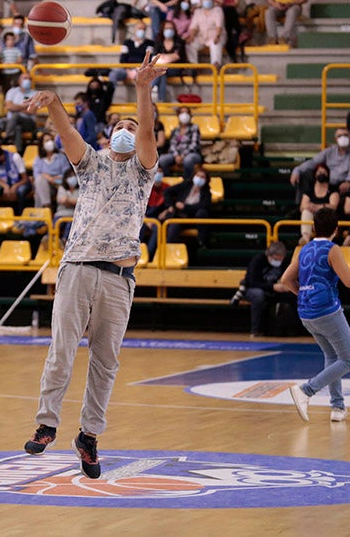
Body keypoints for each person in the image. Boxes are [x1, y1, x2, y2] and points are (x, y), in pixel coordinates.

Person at [22, 51, 164, 479]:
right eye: (120, 125)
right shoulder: (91, 163)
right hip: (79, 266)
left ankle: (89, 436)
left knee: (106, 362)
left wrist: (142, 88)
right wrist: (53, 103)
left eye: (132, 126)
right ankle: (47, 422)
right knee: (62, 349)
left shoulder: (143, 170)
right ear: (107, 135)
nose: (126, 130)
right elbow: (66, 133)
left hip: (120, 277)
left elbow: (149, 132)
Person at [281, 208, 350, 422]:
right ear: (336, 229)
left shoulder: (304, 249)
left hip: (306, 313)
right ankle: (306, 390)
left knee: (332, 356)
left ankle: (337, 407)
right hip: (326, 312)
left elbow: (286, 280)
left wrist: (304, 293)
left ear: (314, 228)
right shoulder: (332, 249)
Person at [234, 241, 297, 337]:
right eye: (276, 259)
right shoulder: (258, 260)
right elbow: (252, 282)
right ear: (269, 255)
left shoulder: (284, 262)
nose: (278, 262)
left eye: (281, 259)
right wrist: (272, 287)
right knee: (258, 295)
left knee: (293, 294)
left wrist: (285, 286)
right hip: (253, 289)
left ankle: (291, 329)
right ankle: (256, 330)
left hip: (274, 290)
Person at [290, 126, 350, 202]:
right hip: (327, 181)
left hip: (343, 182)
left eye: (346, 135)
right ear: (336, 139)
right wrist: (297, 170)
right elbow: (313, 162)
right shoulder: (329, 151)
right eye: (340, 136)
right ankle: (300, 205)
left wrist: (348, 181)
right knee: (304, 174)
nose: (343, 138)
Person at [162, 166, 212, 247]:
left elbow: (204, 206)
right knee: (174, 226)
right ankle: (169, 251)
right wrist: (170, 206)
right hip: (181, 217)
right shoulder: (186, 184)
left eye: (202, 177)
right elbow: (167, 192)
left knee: (202, 212)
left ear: (206, 180)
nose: (199, 178)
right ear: (194, 176)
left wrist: (185, 207)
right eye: (198, 176)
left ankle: (202, 243)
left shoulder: (207, 192)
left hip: (194, 219)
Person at [183, 0, 225, 69]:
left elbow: (219, 25)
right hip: (202, 36)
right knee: (189, 44)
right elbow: (194, 27)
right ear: (201, 0)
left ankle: (215, 66)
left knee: (215, 43)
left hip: (215, 35)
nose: (206, 1)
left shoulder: (218, 10)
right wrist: (191, 37)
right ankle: (193, 66)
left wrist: (217, 36)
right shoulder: (198, 11)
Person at [0, 142, 31, 213]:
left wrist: (15, 186)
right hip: (6, 183)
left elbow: (25, 178)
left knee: (20, 192)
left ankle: (21, 215)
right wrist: (5, 186)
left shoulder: (15, 157)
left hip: (20, 182)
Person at [110, 21, 156, 91]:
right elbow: (123, 59)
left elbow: (149, 59)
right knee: (113, 74)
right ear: (134, 29)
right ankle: (109, 96)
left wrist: (139, 70)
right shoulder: (127, 43)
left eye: (144, 29)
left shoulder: (150, 43)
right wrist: (128, 71)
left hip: (142, 70)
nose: (142, 31)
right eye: (140, 29)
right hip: (127, 69)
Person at [158, 105, 202, 178]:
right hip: (176, 154)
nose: (184, 115)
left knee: (188, 160)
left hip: (192, 154)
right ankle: (169, 179)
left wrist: (183, 156)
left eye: (186, 112)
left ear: (190, 115)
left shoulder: (194, 128)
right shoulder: (175, 130)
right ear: (178, 115)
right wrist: (176, 156)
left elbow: (194, 145)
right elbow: (172, 145)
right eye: (182, 112)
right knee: (162, 159)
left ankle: (187, 182)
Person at [300, 163, 339, 243]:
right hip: (313, 215)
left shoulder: (332, 189)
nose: (322, 174)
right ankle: (306, 239)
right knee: (306, 212)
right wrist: (310, 207)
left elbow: (333, 206)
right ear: (315, 174)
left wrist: (317, 207)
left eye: (324, 172)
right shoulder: (309, 189)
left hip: (327, 215)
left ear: (328, 174)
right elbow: (302, 206)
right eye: (319, 172)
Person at [213, 0, 241, 64]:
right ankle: (232, 54)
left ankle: (233, 51)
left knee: (229, 13)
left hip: (230, 10)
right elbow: (220, 0)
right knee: (225, 12)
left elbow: (236, 2)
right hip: (218, 10)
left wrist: (225, 3)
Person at [33, 132, 71, 208]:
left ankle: (45, 211)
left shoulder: (61, 157)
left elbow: (67, 173)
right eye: (47, 141)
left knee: (38, 192)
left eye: (51, 140)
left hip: (59, 182)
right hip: (46, 185)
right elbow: (36, 174)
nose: (50, 142)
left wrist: (56, 178)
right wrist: (49, 178)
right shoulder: (39, 159)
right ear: (42, 145)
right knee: (39, 181)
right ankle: (47, 206)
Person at [153, 19, 187, 101]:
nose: (169, 30)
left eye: (171, 28)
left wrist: (163, 57)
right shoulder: (159, 41)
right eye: (167, 28)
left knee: (161, 71)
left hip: (177, 68)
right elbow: (155, 57)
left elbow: (178, 57)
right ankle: (161, 100)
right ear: (163, 30)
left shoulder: (179, 41)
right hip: (163, 69)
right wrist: (171, 57)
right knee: (162, 74)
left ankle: (151, 87)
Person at [4, 72, 38, 153]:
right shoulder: (12, 91)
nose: (28, 81)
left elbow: (31, 110)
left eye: (30, 79)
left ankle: (7, 137)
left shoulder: (36, 94)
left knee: (16, 116)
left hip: (28, 122)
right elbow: (9, 106)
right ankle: (19, 152)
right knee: (17, 128)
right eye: (25, 78)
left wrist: (15, 107)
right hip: (12, 123)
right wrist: (24, 106)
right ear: (19, 81)